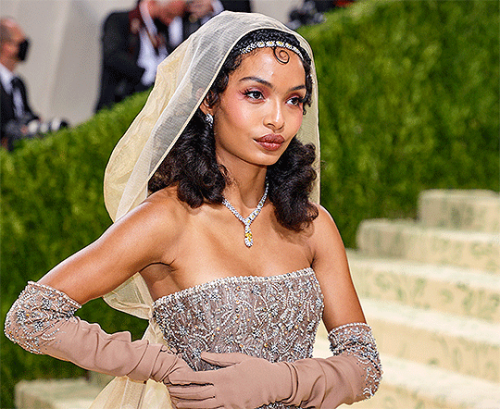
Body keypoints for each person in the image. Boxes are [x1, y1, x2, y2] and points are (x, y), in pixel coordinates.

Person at [5, 11, 381, 409]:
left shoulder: (312, 224)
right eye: (255, 94)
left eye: (294, 100)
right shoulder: (167, 218)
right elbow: (31, 317)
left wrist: (283, 381)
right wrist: (160, 365)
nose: (277, 119)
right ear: (208, 99)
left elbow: (365, 364)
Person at [95, 0, 223, 112]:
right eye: (168, 14)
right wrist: (149, 75)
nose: (170, 22)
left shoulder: (161, 28)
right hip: (118, 102)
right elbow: (112, 56)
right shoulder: (119, 20)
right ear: (152, 3)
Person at [0, 17, 68, 151]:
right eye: (20, 42)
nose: (24, 45)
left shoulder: (19, 84)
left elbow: (26, 113)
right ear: (7, 47)